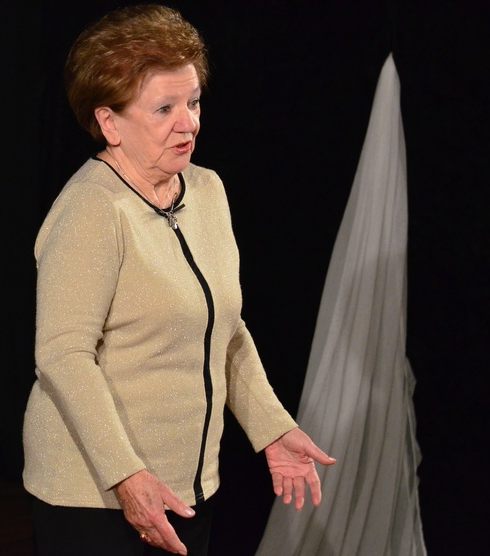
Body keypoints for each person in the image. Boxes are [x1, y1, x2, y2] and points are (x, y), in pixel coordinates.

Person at [23, 5, 336, 555]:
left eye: (193, 102)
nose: (188, 122)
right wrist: (127, 477)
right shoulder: (92, 209)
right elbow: (62, 356)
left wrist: (272, 429)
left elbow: (225, 328)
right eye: (164, 108)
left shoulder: (208, 191)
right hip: (95, 499)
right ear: (109, 123)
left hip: (190, 489)